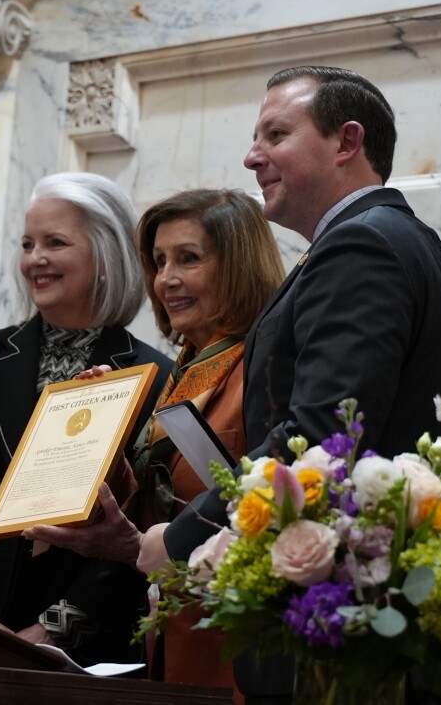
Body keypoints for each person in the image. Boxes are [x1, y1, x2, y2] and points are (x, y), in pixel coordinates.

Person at [141, 66, 441, 702]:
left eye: (275, 134)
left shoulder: (361, 247)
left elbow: (323, 436)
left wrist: (181, 539)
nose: (251, 156)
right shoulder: (392, 236)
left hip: (337, 630)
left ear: (346, 142)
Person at [0, 172, 172, 665]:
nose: (35, 259)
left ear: (106, 253)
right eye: (28, 243)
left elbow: (143, 528)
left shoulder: (157, 377)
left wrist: (49, 633)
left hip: (83, 659)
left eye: (55, 242)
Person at [28, 189, 284, 694]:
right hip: (169, 636)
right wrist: (107, 444)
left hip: (237, 650)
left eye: (187, 259)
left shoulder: (266, 363)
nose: (165, 279)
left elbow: (263, 503)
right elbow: (152, 505)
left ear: (237, 266)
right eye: (160, 260)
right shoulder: (187, 365)